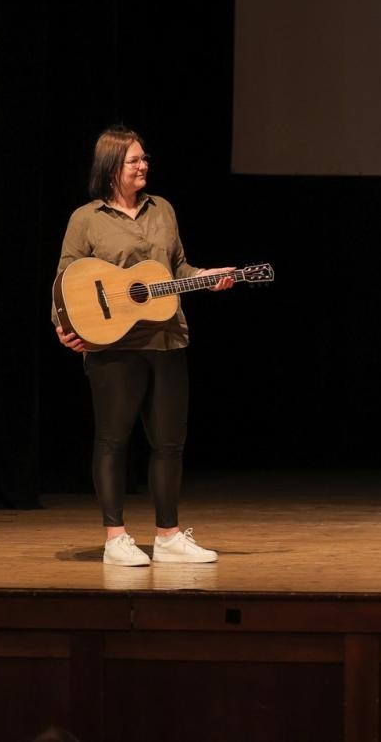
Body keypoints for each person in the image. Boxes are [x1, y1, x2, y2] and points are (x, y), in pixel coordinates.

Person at [53, 127, 231, 567]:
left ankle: (168, 536)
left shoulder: (163, 209)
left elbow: (176, 267)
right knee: (113, 440)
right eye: (134, 160)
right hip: (112, 343)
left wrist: (208, 277)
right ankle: (116, 538)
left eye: (144, 159)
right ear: (112, 166)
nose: (143, 166)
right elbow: (64, 280)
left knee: (170, 442)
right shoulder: (87, 219)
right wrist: (63, 325)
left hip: (166, 337)